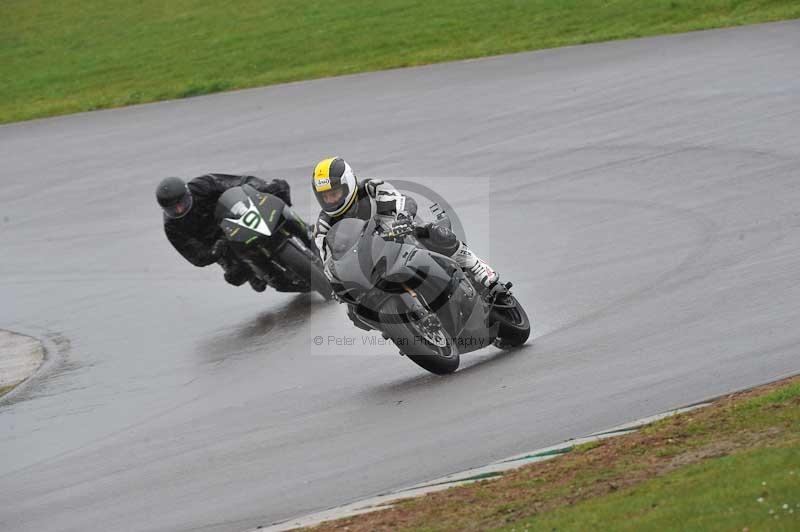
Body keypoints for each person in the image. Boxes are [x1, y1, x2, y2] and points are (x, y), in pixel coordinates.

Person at [311, 157, 500, 289]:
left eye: (334, 193)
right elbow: (327, 262)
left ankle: (477, 267)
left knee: (430, 232)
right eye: (325, 196)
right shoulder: (323, 225)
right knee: (354, 310)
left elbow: (404, 201)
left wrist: (404, 218)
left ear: (349, 183)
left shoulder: (370, 188)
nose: (331, 200)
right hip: (367, 262)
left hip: (399, 235)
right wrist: (335, 281)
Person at [156, 173, 294, 292]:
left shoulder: (203, 185)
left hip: (237, 214)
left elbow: (239, 182)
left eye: (182, 203)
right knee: (236, 275)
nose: (180, 210)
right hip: (221, 242)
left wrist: (261, 188)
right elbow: (194, 256)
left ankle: (298, 225)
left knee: (278, 188)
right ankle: (261, 275)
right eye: (174, 209)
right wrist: (214, 251)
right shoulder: (172, 227)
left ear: (188, 193)